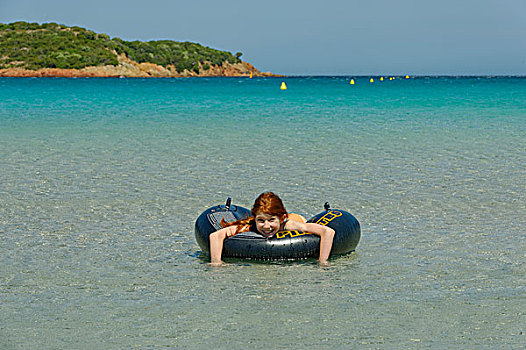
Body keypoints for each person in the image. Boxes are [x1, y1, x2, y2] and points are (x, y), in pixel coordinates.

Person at [208, 192, 335, 266]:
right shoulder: (249, 226)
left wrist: (322, 262)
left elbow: (327, 231)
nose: (266, 226)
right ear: (255, 218)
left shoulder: (289, 224)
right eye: (261, 220)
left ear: (281, 218)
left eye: (271, 220)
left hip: (297, 219)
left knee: (298, 220)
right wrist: (216, 263)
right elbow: (215, 236)